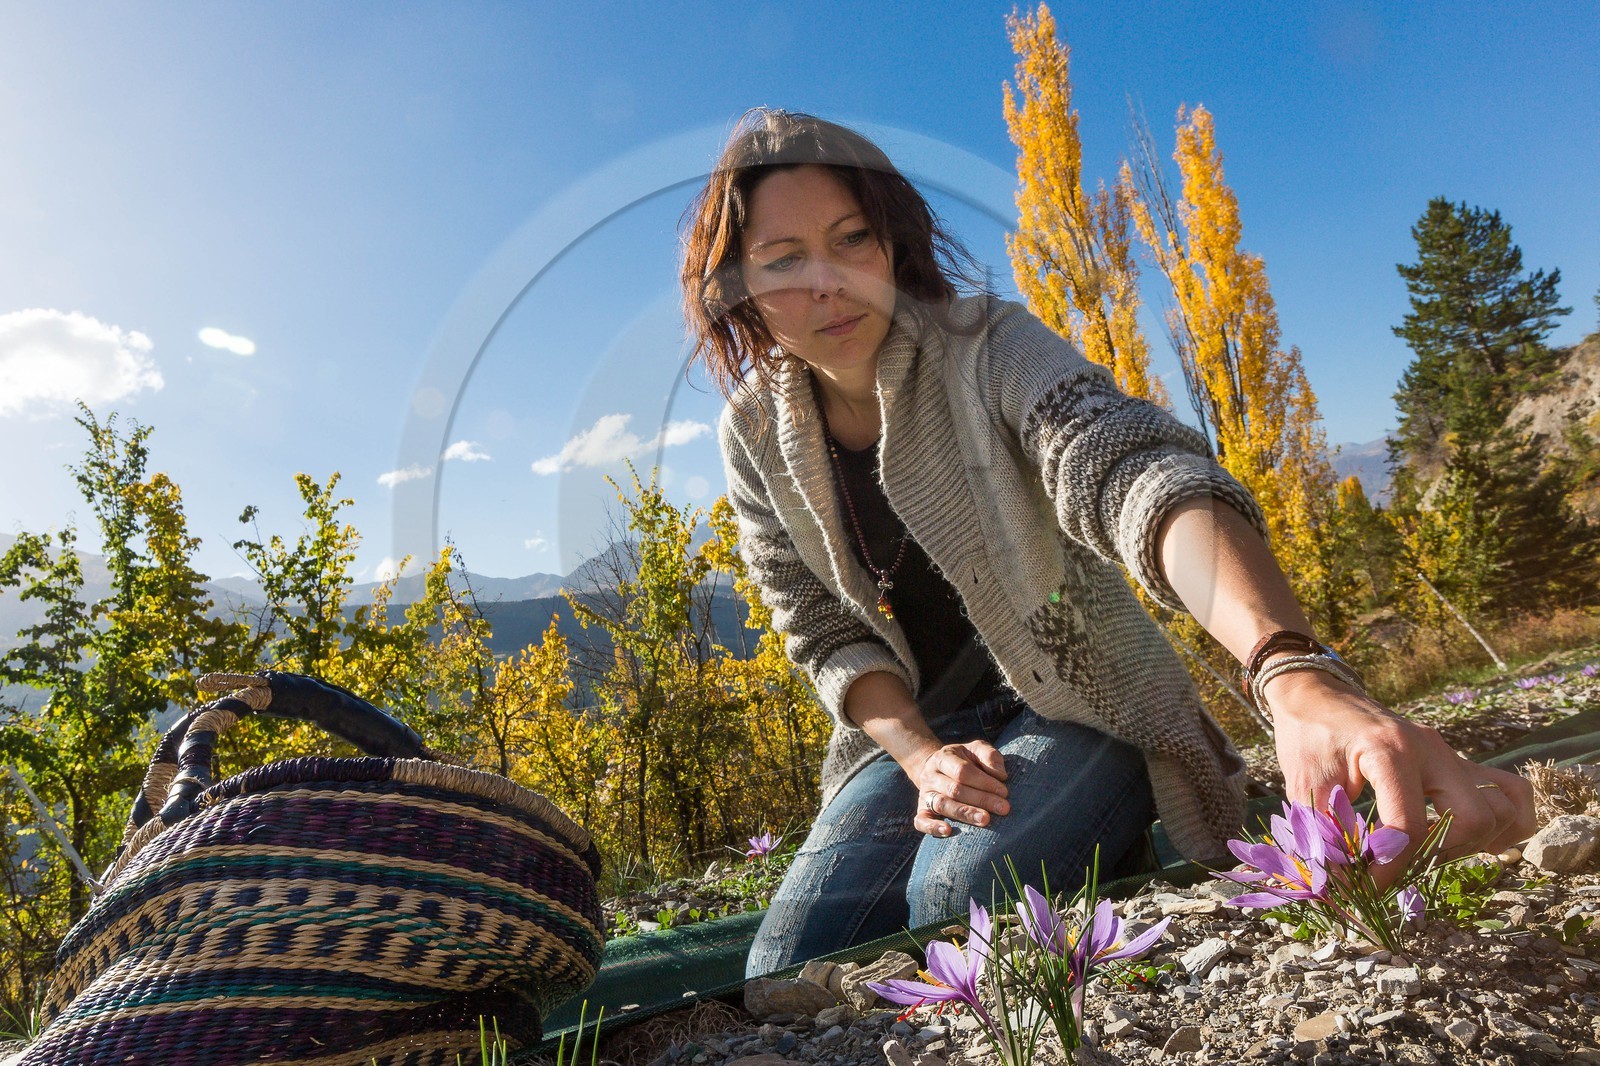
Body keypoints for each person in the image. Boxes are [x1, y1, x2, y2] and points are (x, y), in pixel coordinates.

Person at [678, 109, 1536, 977]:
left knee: (954, 904)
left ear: (890, 246)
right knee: (780, 970)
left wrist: (1290, 669)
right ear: (738, 285)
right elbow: (821, 631)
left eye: (851, 238)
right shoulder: (752, 433)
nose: (829, 281)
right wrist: (923, 755)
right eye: (784, 260)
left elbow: (1127, 468)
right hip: (915, 736)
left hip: (1083, 706)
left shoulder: (988, 347)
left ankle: (1125, 802)